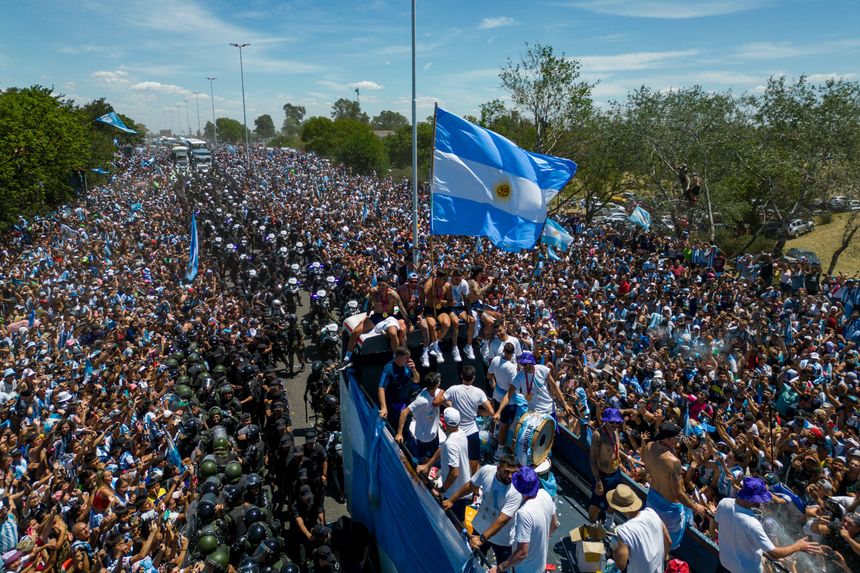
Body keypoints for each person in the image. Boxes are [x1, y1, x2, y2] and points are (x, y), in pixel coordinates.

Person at [714, 477, 823, 573]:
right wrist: (797, 546)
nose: (761, 503)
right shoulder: (753, 524)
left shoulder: (724, 502)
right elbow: (774, 553)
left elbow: (714, 526)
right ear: (753, 499)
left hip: (724, 563)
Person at [442, 454, 522, 565]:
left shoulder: (516, 490)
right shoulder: (487, 471)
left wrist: (482, 539)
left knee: (503, 568)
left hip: (501, 539)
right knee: (474, 562)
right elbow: (471, 486)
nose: (510, 476)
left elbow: (503, 519)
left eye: (514, 473)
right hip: (480, 528)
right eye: (507, 472)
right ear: (498, 468)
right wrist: (451, 500)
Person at [641, 421, 708, 549]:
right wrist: (695, 507)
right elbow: (678, 493)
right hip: (669, 510)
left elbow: (647, 465)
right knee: (667, 545)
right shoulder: (674, 462)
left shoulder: (649, 445)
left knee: (651, 538)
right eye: (678, 436)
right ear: (668, 439)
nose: (680, 439)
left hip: (652, 499)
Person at [490, 467, 557, 573]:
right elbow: (554, 525)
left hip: (525, 569)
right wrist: (541, 539)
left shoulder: (524, 513)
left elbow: (522, 553)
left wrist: (499, 568)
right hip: (541, 564)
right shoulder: (545, 494)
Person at [418, 408, 471, 524]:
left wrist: (441, 490)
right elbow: (442, 449)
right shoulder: (460, 433)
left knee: (453, 523)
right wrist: (428, 465)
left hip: (454, 493)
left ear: (445, 423)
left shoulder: (451, 444)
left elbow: (454, 473)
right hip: (461, 488)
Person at [608, 484, 670, 573]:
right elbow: (668, 540)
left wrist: (615, 551)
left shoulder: (624, 531)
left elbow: (621, 565)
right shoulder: (651, 512)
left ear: (619, 508)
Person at [444, 365, 494, 473]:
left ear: (461, 376)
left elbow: (439, 400)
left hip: (456, 431)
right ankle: (475, 489)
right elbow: (491, 411)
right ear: (474, 377)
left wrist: (451, 407)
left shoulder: (453, 389)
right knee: (474, 461)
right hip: (472, 432)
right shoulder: (479, 392)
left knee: (455, 461)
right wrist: (479, 412)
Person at [395, 372, 446, 463]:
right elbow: (404, 412)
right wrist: (399, 433)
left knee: (435, 453)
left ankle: (431, 466)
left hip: (434, 431)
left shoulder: (437, 392)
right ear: (437, 384)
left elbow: (443, 400)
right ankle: (425, 473)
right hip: (424, 436)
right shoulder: (422, 401)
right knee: (426, 459)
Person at [588, 408, 625, 523]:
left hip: (616, 473)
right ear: (605, 421)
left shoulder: (616, 431)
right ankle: (592, 526)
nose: (615, 425)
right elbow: (593, 459)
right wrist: (598, 481)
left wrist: (627, 459)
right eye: (612, 422)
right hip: (603, 476)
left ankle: (609, 522)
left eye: (617, 422)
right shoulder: (598, 435)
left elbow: (615, 449)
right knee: (596, 505)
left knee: (613, 500)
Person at [377, 346, 419, 422]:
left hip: (404, 401)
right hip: (392, 403)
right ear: (398, 357)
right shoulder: (389, 368)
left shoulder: (408, 367)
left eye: (408, 358)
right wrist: (383, 407)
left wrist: (414, 370)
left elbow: (416, 380)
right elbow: (381, 388)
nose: (408, 360)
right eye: (406, 358)